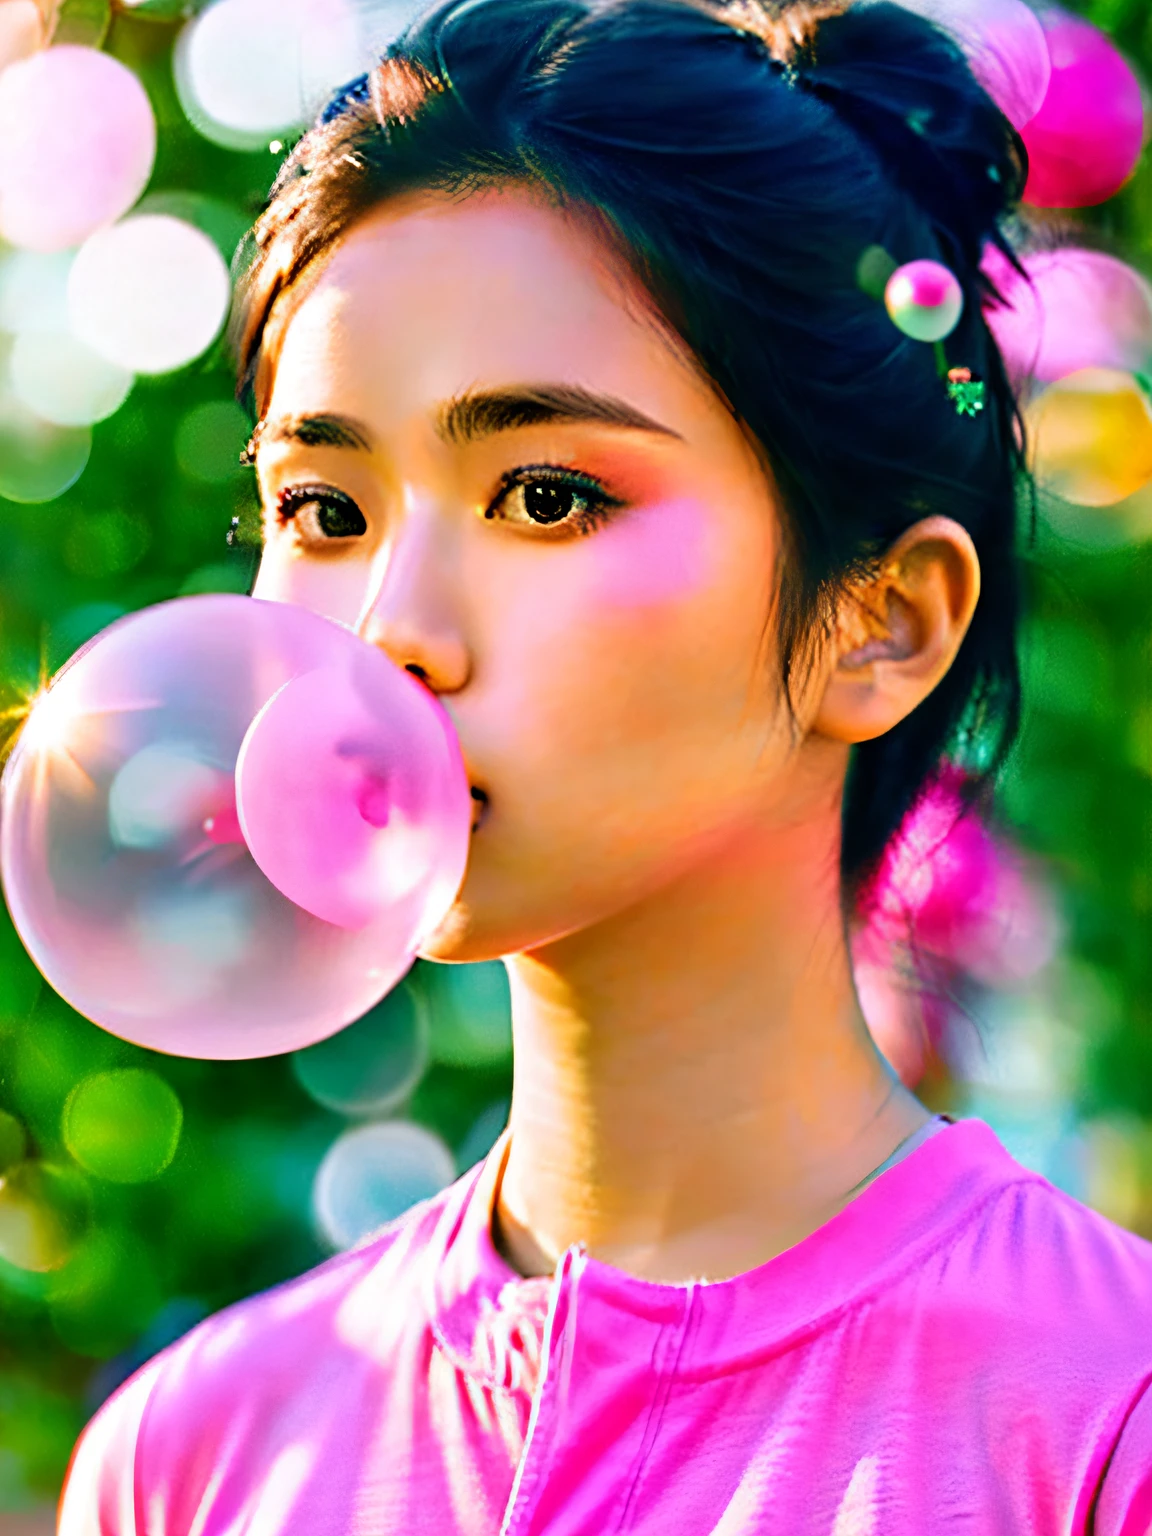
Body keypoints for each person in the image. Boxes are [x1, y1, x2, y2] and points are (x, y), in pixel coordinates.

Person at [59, 1, 1152, 1530]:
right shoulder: (188, 1457)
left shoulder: (1105, 1418)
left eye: (549, 494)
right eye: (321, 507)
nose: (392, 635)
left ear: (884, 623)